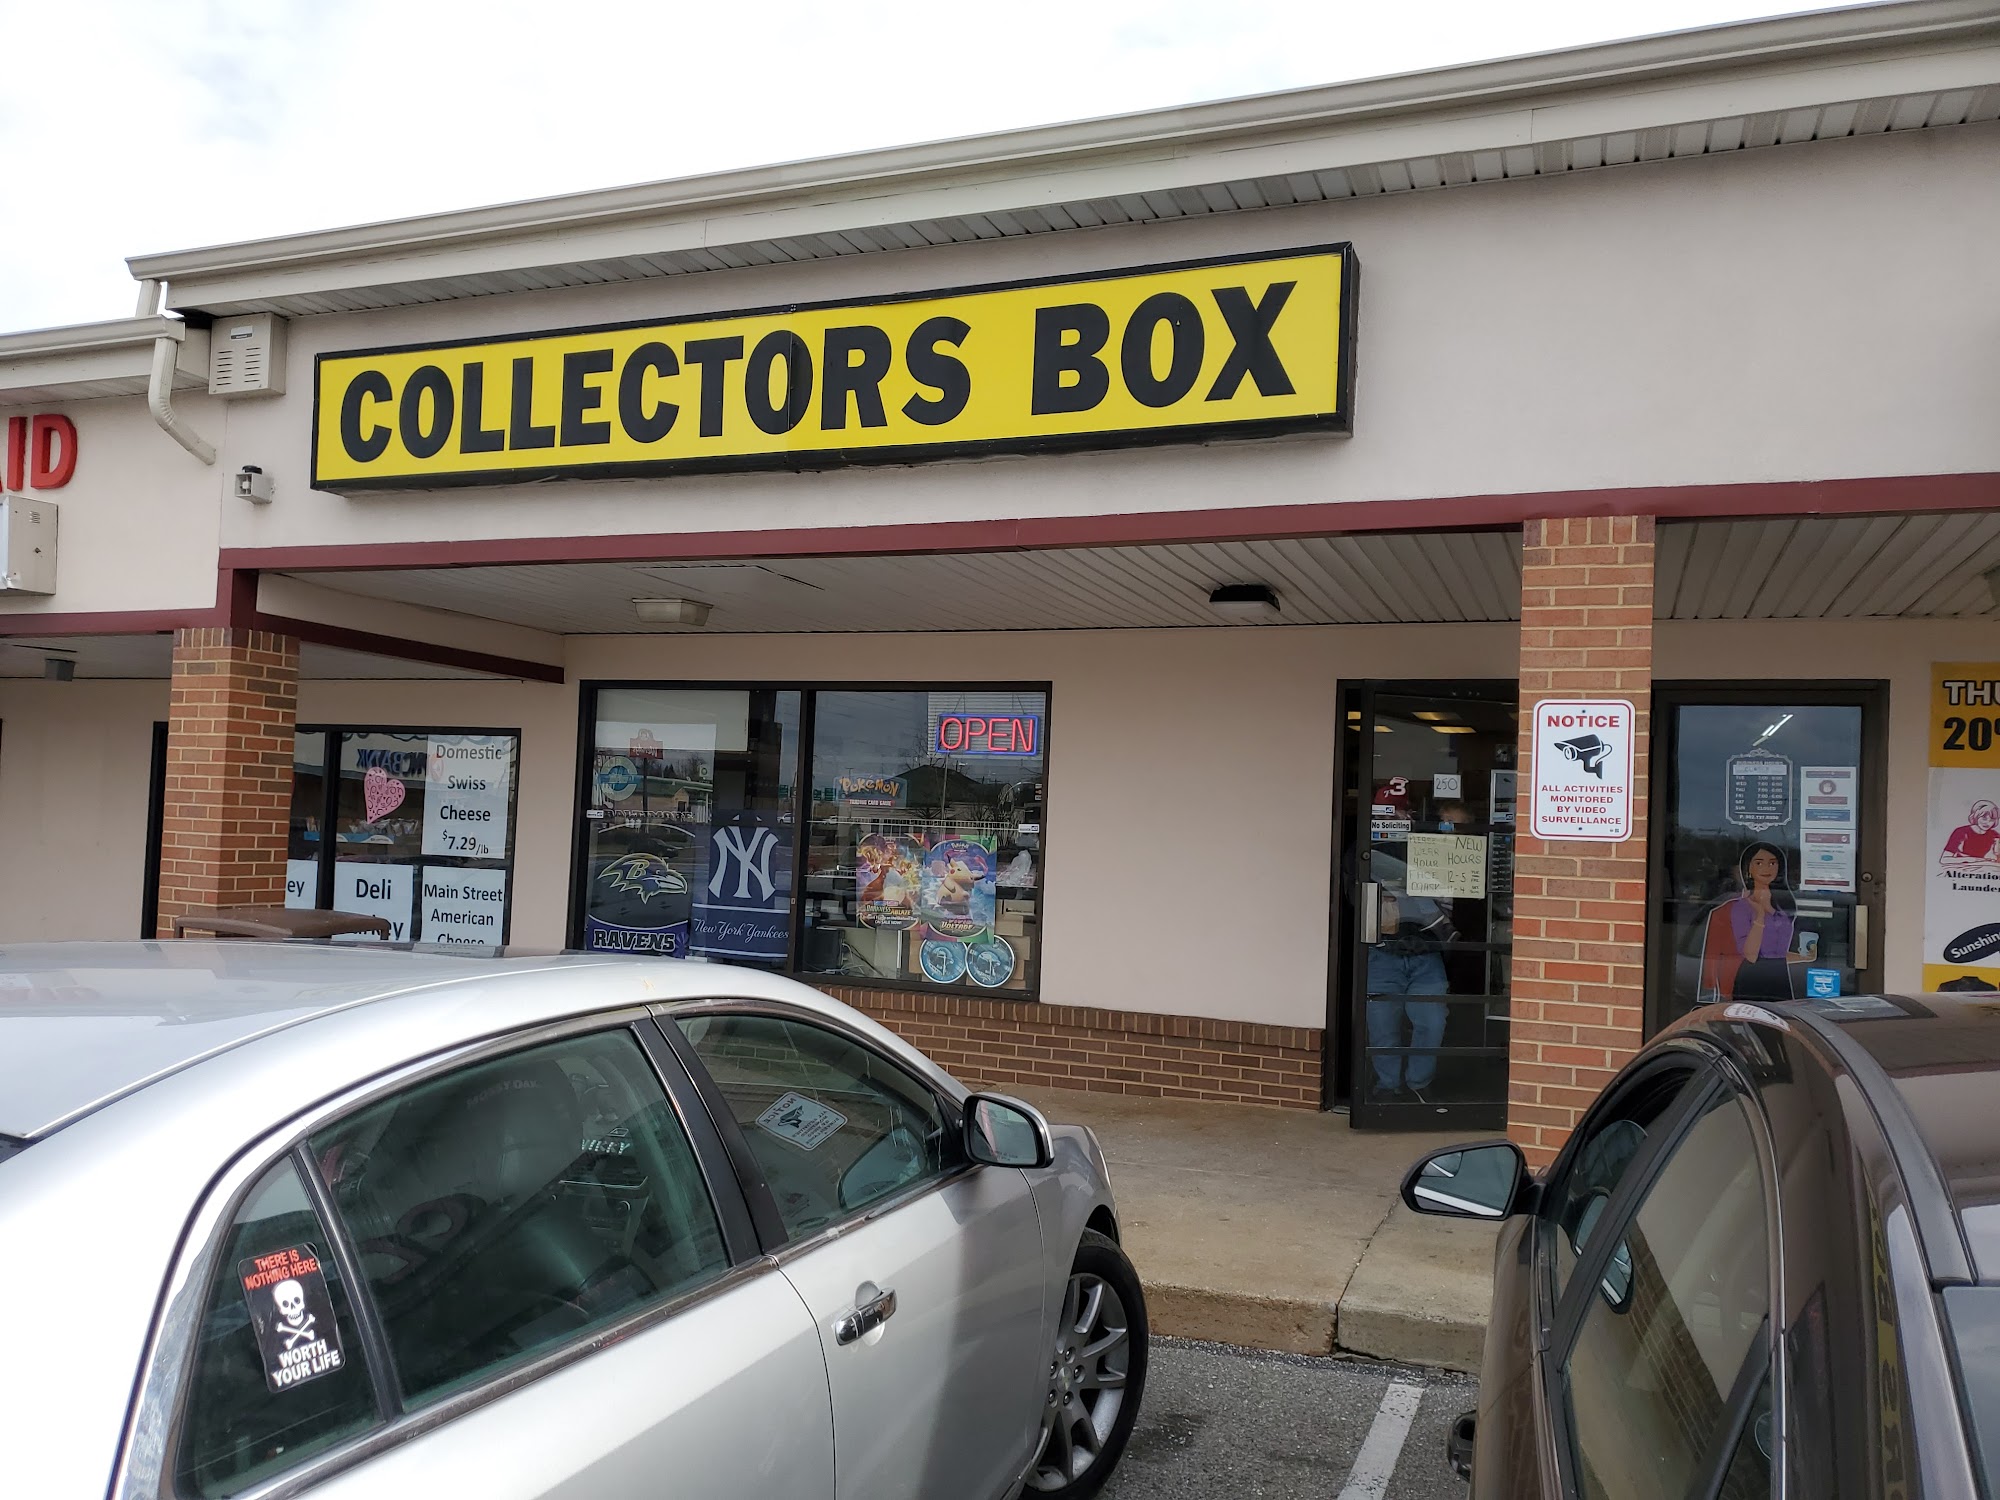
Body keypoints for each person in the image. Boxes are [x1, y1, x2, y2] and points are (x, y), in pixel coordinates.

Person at [1367, 884, 1455, 1101]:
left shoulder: (1429, 867)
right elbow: (1355, 889)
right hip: (1382, 954)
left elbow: (1448, 895)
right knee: (1382, 1027)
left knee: (1432, 1023)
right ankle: (1388, 1084)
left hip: (1427, 955)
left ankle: (1419, 1082)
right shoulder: (1378, 863)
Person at [1699, 842, 1802, 1002]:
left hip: (1780, 977)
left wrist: (1806, 957)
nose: (1767, 868)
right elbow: (1751, 955)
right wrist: (1759, 916)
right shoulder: (1741, 907)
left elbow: (1777, 954)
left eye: (1772, 863)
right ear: (1748, 869)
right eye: (1759, 863)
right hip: (1752, 979)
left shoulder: (1782, 906)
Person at [1940, 800, 2000, 868]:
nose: (1987, 822)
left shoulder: (1994, 835)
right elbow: (1944, 859)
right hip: (1960, 870)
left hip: (1984, 870)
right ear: (1975, 816)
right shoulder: (1961, 832)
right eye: (1984, 818)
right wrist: (1971, 860)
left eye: (1992, 819)